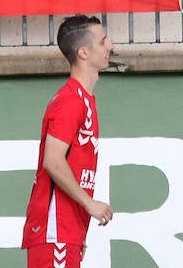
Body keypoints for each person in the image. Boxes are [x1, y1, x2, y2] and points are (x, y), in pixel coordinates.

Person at [21, 15, 115, 268]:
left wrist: (77, 230)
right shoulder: (70, 101)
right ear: (83, 52)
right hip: (55, 232)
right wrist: (89, 203)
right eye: (103, 41)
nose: (111, 46)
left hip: (66, 232)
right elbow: (52, 160)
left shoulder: (82, 99)